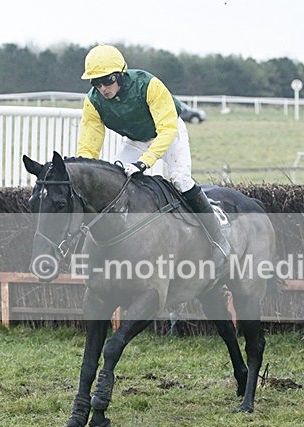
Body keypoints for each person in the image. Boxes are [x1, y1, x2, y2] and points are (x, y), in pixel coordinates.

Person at [76, 44, 231, 269]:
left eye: (107, 80)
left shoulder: (149, 85)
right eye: (96, 83)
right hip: (135, 141)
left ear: (120, 74)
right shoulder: (93, 102)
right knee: (114, 184)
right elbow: (88, 148)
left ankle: (218, 240)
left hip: (168, 133)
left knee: (180, 179)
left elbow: (167, 130)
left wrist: (144, 162)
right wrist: (83, 175)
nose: (103, 88)